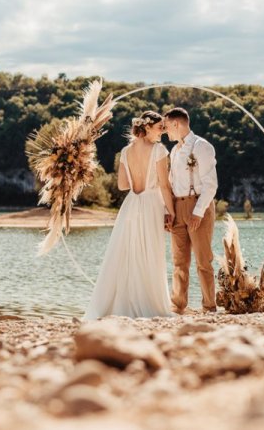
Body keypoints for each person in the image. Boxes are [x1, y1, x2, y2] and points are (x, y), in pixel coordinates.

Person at [83, 111, 174, 319]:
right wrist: (171, 211)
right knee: (151, 252)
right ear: (148, 127)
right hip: (152, 203)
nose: (162, 132)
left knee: (129, 253)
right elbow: (165, 185)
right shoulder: (159, 150)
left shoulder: (125, 151)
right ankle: (151, 304)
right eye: (160, 127)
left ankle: (126, 302)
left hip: (132, 204)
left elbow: (123, 185)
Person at [163, 107, 218, 314]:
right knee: (179, 261)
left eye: (167, 126)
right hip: (177, 208)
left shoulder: (201, 146)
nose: (166, 131)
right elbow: (170, 182)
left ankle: (209, 307)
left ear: (176, 124)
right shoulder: (175, 151)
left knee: (203, 260)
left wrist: (198, 212)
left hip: (198, 206)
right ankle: (178, 306)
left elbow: (211, 184)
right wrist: (167, 211)